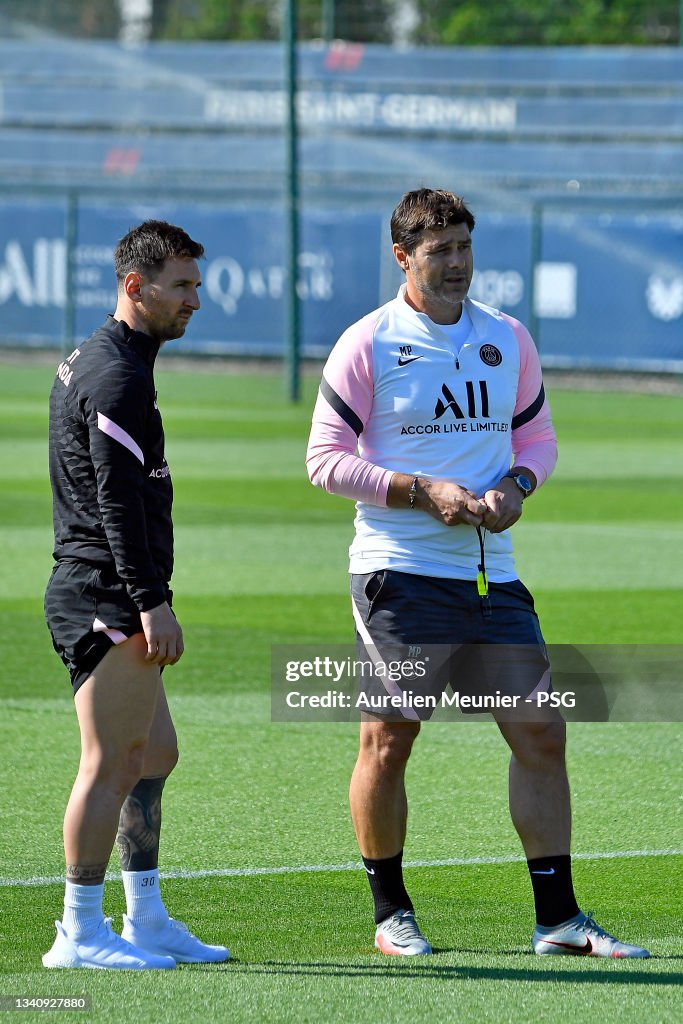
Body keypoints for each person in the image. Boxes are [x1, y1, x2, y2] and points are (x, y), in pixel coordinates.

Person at [306, 188, 649, 959]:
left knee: (539, 732)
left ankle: (557, 921)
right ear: (403, 257)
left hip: (492, 574)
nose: (456, 263)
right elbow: (323, 461)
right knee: (389, 740)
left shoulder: (506, 337)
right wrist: (418, 490)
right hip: (398, 572)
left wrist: (515, 489)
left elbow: (538, 442)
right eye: (439, 252)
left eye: (463, 247)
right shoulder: (367, 342)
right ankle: (389, 912)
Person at [43, 220, 229, 970]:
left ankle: (143, 916)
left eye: (196, 284)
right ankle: (78, 933)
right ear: (135, 286)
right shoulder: (116, 374)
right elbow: (118, 502)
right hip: (105, 590)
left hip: (105, 584)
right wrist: (151, 602)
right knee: (113, 760)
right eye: (181, 286)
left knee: (154, 754)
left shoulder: (107, 356)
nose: (194, 300)